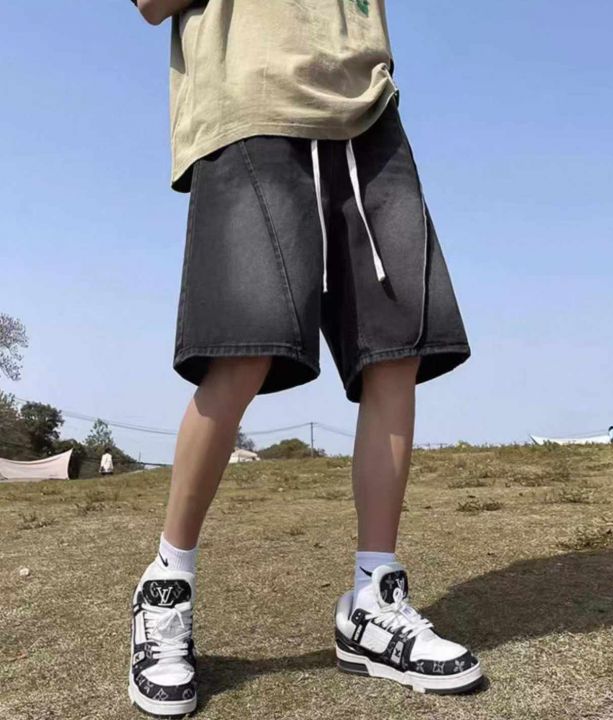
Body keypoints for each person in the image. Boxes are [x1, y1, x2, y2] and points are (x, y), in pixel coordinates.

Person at [128, 0, 481, 715]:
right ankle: (166, 584)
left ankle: (374, 602)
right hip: (251, 102)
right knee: (241, 354)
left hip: (369, 109)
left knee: (394, 353)